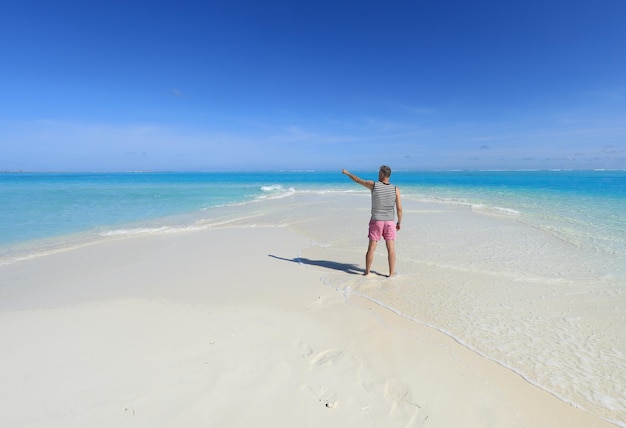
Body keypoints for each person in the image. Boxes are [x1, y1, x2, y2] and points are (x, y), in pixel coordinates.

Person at [342, 166, 402, 277]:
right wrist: (399, 222)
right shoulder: (395, 189)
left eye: (379, 173)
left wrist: (347, 173)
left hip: (377, 221)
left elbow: (357, 180)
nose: (378, 175)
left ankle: (367, 272)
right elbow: (399, 208)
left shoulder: (374, 185)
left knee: (371, 248)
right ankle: (391, 274)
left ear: (383, 174)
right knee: (391, 248)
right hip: (389, 221)